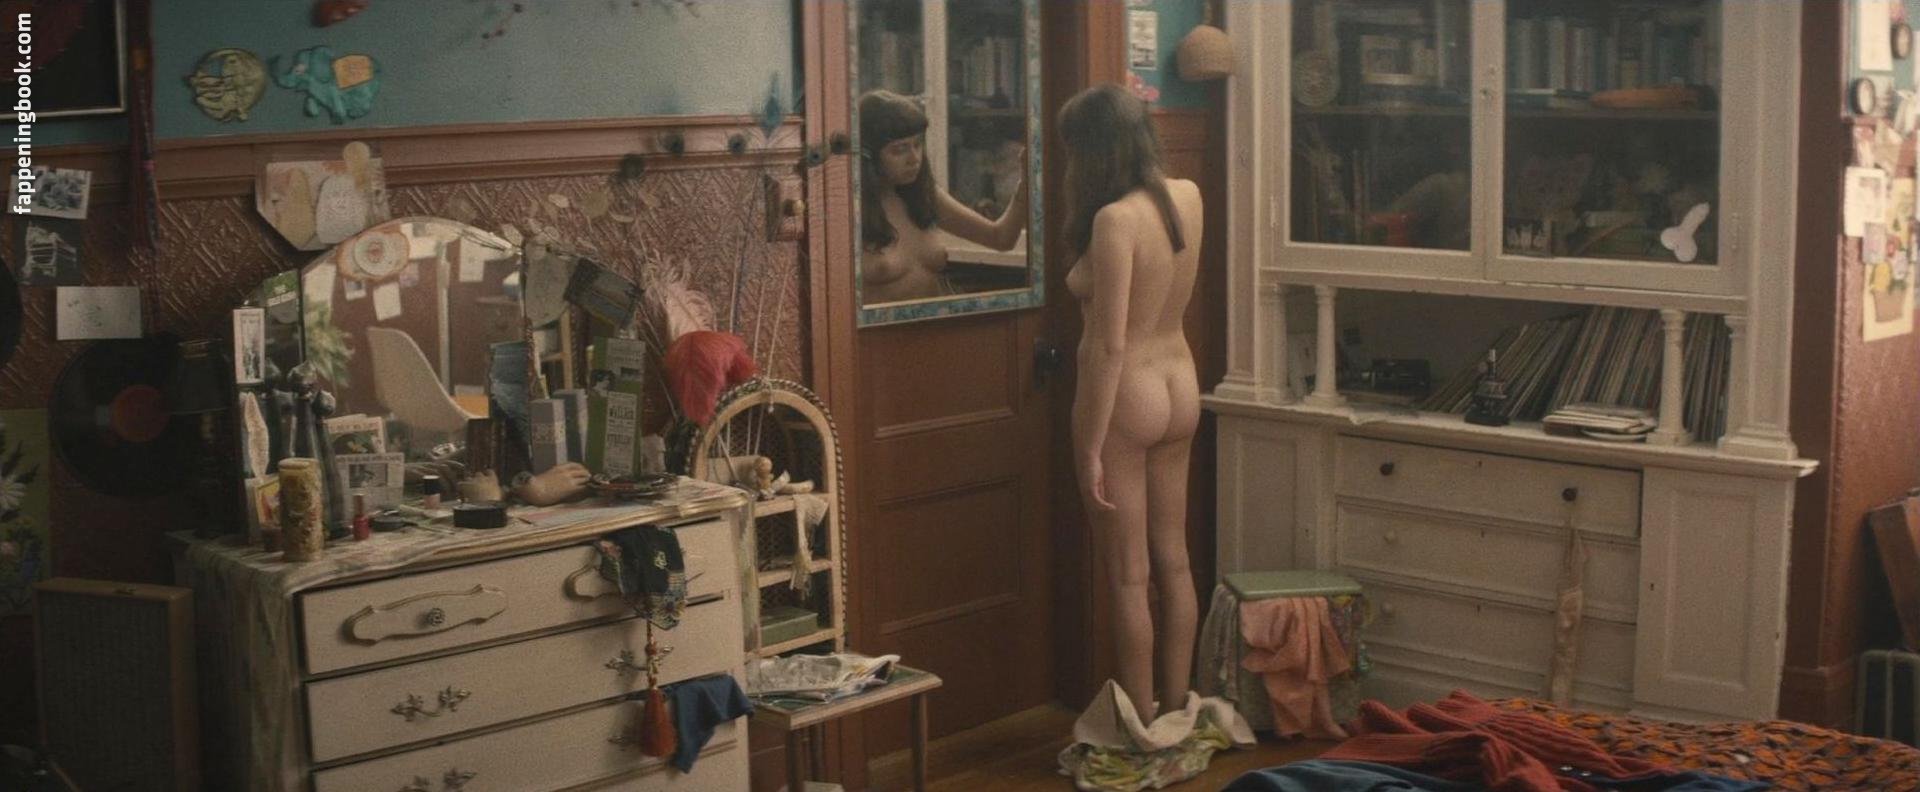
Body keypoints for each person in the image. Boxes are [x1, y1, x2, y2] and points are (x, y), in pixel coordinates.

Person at [1061, 83, 1204, 723]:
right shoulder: (1187, 195)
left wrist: (1089, 447)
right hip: (1180, 383)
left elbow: (1107, 348)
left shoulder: (1114, 220)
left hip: (1131, 396)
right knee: (1175, 562)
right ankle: (1176, 712)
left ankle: (1140, 727)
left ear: (1091, 151)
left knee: (1128, 574)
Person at [859, 90, 1027, 303]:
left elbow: (1000, 238)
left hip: (938, 321)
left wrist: (1026, 183)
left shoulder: (924, 196)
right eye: (899, 150)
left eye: (918, 144)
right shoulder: (851, 209)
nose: (914, 158)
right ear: (869, 156)